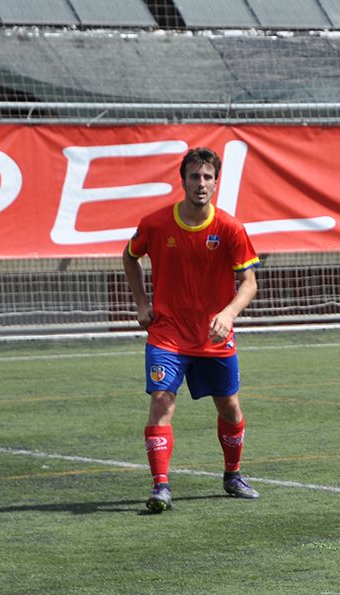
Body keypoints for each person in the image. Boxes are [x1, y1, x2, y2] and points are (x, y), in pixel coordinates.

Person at [122, 147, 261, 514]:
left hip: (214, 337)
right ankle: (161, 486)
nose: (201, 183)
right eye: (194, 176)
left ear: (216, 183)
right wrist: (140, 302)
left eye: (207, 177)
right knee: (161, 402)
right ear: (182, 180)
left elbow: (249, 283)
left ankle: (233, 475)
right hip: (167, 334)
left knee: (230, 407)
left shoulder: (230, 227)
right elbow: (130, 254)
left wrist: (229, 313)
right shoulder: (155, 223)